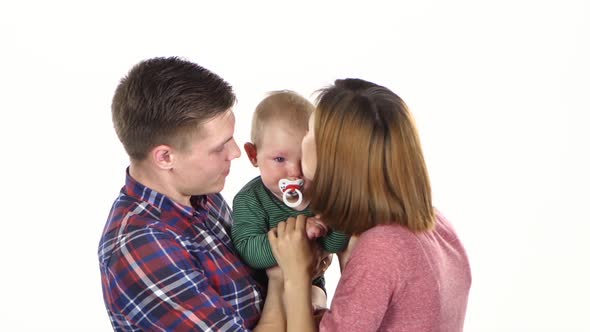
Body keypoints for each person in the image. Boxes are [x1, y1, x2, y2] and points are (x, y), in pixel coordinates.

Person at [98, 56, 302, 331]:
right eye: (219, 147)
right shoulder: (141, 245)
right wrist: (285, 276)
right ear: (165, 157)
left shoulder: (203, 197)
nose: (236, 153)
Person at [268, 78, 472, 331]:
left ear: (333, 157)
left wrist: (296, 275)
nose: (302, 140)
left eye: (309, 131)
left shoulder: (381, 248)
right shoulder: (436, 224)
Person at [231, 90, 349, 310]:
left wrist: (333, 221)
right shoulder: (250, 199)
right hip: (261, 291)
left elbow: (335, 244)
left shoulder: (322, 194)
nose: (294, 171)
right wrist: (300, 230)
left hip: (310, 284)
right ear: (253, 155)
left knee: (314, 303)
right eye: (279, 159)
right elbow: (249, 251)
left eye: (304, 158)